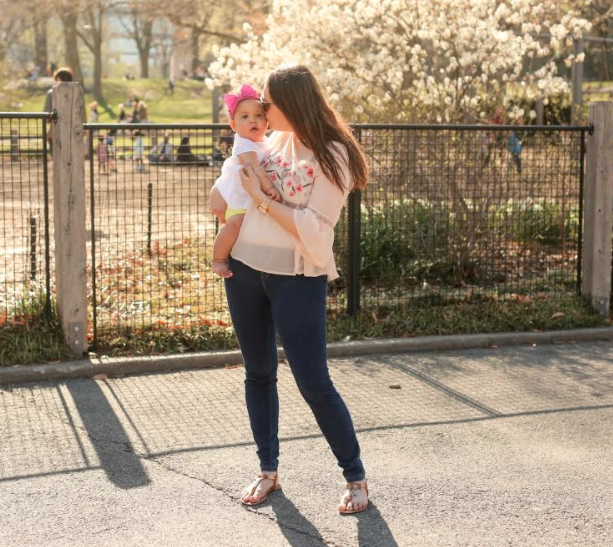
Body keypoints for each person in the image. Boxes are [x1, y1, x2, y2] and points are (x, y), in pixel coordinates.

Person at [209, 65, 370, 514]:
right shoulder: (270, 141)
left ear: (291, 103)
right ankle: (267, 471)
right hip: (244, 269)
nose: (260, 109)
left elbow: (316, 231)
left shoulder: (334, 153)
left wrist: (263, 199)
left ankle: (355, 476)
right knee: (258, 372)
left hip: (297, 276)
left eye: (267, 102)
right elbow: (235, 180)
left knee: (314, 382)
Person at [209, 84, 281, 278]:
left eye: (258, 115)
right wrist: (269, 187)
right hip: (236, 198)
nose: (253, 120)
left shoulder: (265, 142)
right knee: (235, 224)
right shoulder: (243, 143)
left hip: (249, 198)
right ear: (233, 126)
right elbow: (254, 168)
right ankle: (217, 259)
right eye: (245, 117)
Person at [43, 66, 73, 157]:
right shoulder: (76, 92)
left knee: (56, 158)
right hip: (72, 132)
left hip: (55, 131)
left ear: (58, 78)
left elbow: (46, 114)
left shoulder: (51, 93)